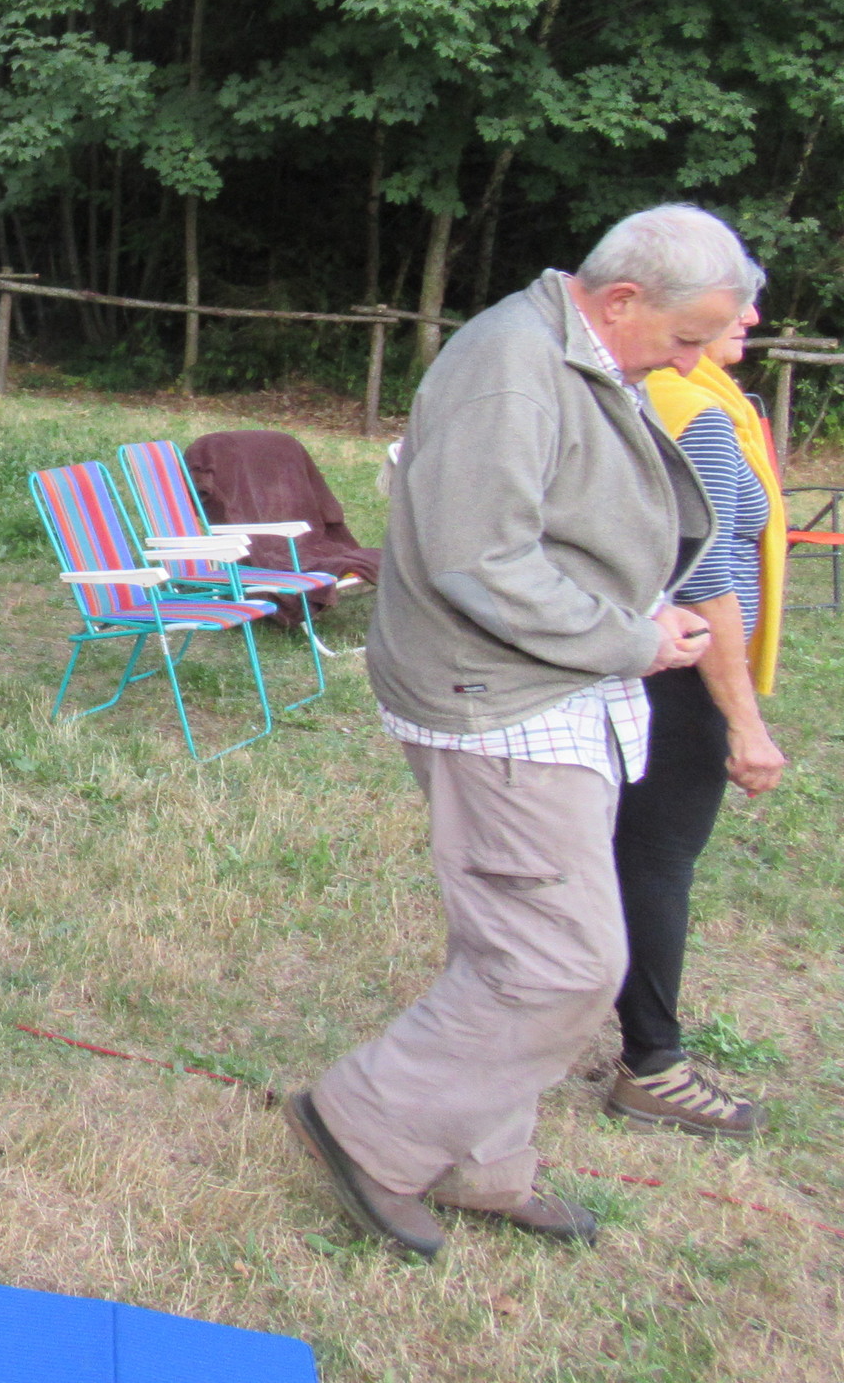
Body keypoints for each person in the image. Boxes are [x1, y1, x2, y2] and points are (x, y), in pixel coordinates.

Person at [288, 204, 752, 1259]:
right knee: (562, 965)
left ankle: (480, 1166)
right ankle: (365, 1122)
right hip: (498, 699)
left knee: (512, 948)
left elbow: (564, 526)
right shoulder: (513, 365)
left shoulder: (578, 354)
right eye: (686, 337)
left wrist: (635, 615)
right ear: (623, 299)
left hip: (547, 691)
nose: (694, 361)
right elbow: (480, 560)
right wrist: (631, 637)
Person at [621, 297, 790, 1134]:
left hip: (657, 659)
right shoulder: (698, 413)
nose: (753, 313)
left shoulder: (677, 397)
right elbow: (704, 574)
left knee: (628, 852)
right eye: (734, 298)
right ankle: (653, 1063)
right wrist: (745, 723)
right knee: (656, 859)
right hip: (683, 670)